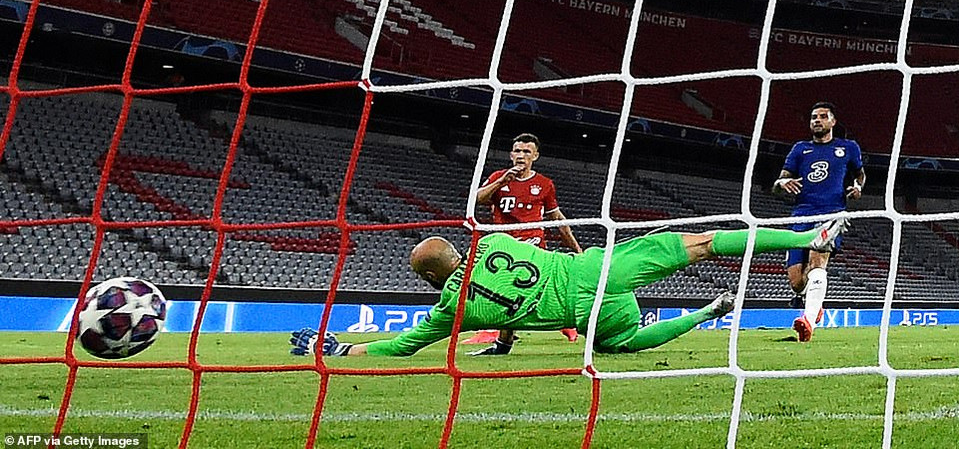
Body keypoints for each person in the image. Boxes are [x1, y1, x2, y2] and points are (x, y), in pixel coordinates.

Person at [290, 218, 847, 358]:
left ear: (430, 279)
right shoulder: (494, 240)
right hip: (595, 268)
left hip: (584, 307)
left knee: (620, 344)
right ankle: (806, 234)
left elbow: (403, 344)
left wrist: (337, 345)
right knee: (698, 243)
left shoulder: (450, 308)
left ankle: (709, 312)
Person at [468, 132, 582, 355]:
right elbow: (476, 200)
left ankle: (570, 323)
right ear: (511, 155)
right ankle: (503, 343)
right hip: (504, 248)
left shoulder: (544, 184)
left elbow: (557, 218)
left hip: (532, 247)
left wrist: (576, 248)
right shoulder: (498, 177)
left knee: (542, 290)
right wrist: (503, 181)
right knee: (504, 294)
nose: (521, 156)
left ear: (535, 156)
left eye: (526, 152)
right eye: (518, 151)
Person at [772, 101, 865, 343]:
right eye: (814, 117)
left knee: (817, 260)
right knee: (796, 282)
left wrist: (857, 186)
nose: (817, 120)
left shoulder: (848, 148)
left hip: (831, 214)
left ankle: (808, 321)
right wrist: (782, 184)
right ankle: (816, 302)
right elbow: (778, 182)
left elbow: (860, 174)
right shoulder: (800, 149)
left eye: (823, 116)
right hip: (801, 216)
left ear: (833, 122)